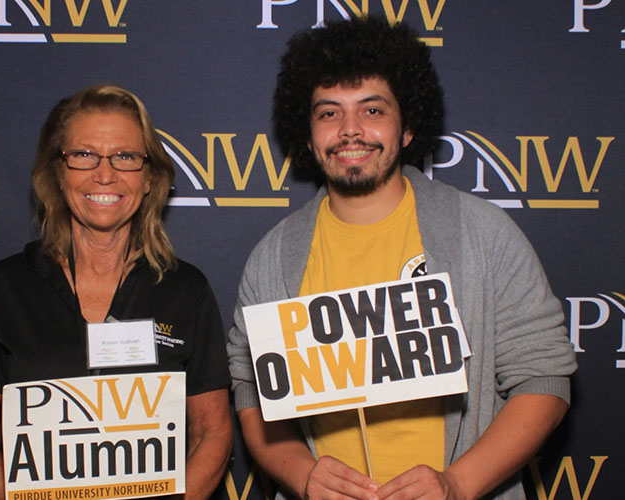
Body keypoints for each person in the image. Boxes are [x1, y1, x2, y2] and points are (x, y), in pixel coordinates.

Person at [227, 16, 577, 500]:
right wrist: (303, 473)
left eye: (372, 111)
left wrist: (457, 483)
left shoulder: (482, 233)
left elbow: (544, 378)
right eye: (329, 113)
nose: (351, 130)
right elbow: (251, 392)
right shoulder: (272, 259)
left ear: (408, 126)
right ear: (307, 135)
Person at [0, 84, 232, 500]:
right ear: (59, 173)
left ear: (149, 178)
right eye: (83, 155)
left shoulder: (185, 291)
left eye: (126, 157)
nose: (105, 174)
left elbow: (213, 432)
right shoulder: (6, 287)